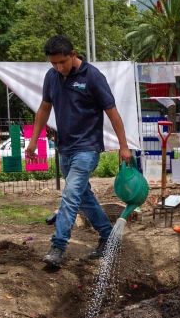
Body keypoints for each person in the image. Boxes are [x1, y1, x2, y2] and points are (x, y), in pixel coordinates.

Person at [27, 35, 132, 268]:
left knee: (71, 194)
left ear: (73, 55)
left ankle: (58, 245)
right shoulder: (51, 77)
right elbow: (44, 108)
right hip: (65, 148)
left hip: (88, 148)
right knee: (83, 196)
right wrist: (33, 141)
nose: (58, 67)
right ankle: (108, 234)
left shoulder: (93, 77)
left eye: (62, 62)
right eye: (53, 63)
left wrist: (124, 146)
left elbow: (112, 112)